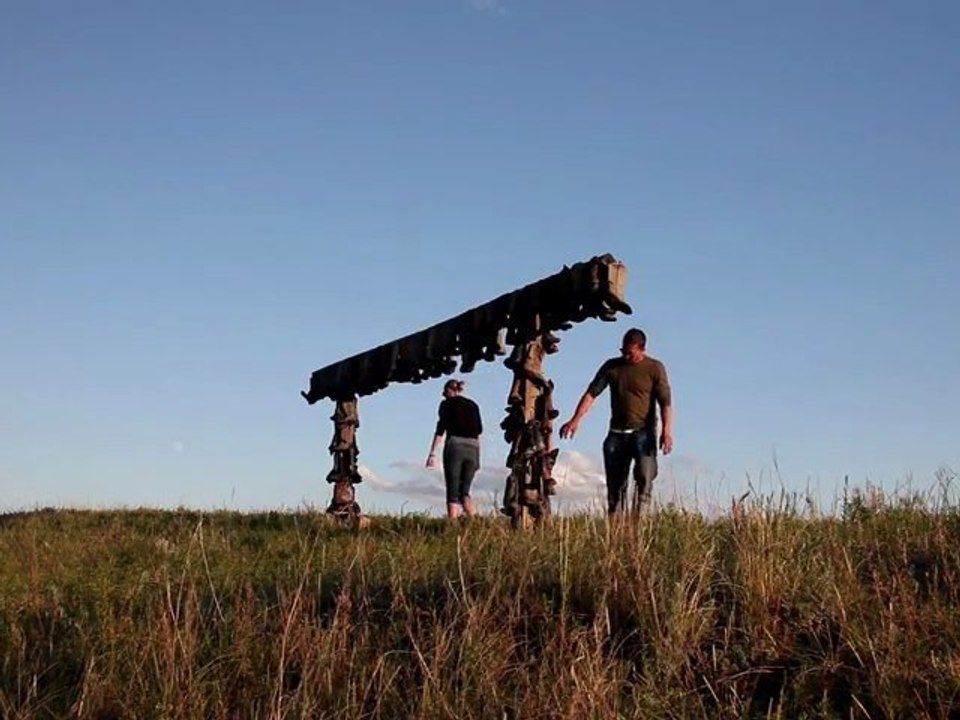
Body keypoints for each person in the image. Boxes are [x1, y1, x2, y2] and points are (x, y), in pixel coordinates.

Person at [559, 328, 673, 514]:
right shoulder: (612, 367)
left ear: (642, 349)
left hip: (643, 432)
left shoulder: (655, 368)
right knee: (615, 485)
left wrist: (666, 432)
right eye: (623, 351)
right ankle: (616, 528)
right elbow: (591, 394)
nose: (626, 356)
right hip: (617, 434)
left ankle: (639, 526)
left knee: (645, 477)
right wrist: (575, 420)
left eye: (630, 352)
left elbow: (665, 402)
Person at [426, 378, 483, 520]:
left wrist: (432, 454)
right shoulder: (473, 405)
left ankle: (452, 525)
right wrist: (478, 457)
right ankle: (475, 522)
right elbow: (478, 431)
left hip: (455, 446)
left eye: (444, 392)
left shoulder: (446, 405)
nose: (443, 395)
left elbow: (440, 429)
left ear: (450, 391)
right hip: (473, 448)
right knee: (465, 491)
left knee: (452, 488)